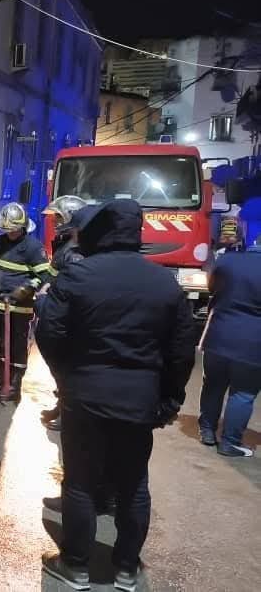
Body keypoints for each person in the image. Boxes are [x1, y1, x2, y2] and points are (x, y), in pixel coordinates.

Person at [36, 200, 197, 591]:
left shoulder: (77, 277)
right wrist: (170, 398)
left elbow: (49, 333)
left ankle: (75, 566)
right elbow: (181, 350)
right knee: (133, 483)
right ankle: (126, 569)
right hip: (139, 401)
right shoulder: (163, 283)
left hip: (84, 397)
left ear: (98, 231)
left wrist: (67, 377)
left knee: (79, 482)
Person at [0, 202, 52, 401]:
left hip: (20, 306)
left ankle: (14, 382)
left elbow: (44, 276)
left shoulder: (33, 247)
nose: (10, 233)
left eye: (14, 230)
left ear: (23, 227)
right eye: (7, 230)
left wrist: (27, 288)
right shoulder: (0, 241)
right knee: (0, 341)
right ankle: (2, 375)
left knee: (17, 344)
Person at [198, 234, 261, 457]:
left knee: (213, 385)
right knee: (243, 392)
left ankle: (207, 431)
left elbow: (211, 288)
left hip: (218, 335)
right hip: (253, 343)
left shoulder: (226, 261)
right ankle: (230, 443)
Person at [37, 195, 87, 431]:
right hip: (55, 312)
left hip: (67, 320)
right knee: (59, 369)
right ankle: (62, 406)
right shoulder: (65, 243)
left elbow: (71, 287)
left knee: (67, 369)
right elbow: (53, 274)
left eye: (58, 216)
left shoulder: (75, 252)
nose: (54, 221)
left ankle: (69, 416)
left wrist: (48, 297)